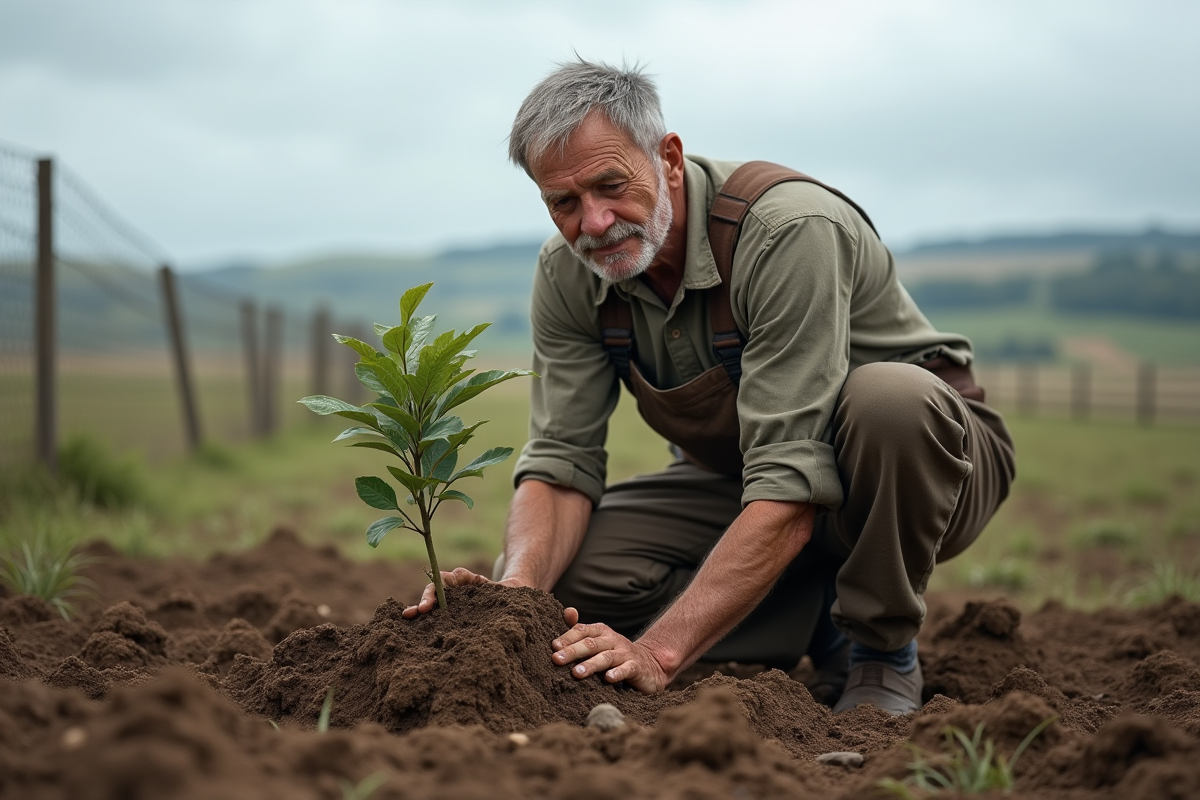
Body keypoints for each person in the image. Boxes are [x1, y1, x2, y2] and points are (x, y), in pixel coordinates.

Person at [403, 58, 1015, 715]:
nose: (596, 223)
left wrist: (658, 653)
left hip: (922, 471)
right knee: (573, 581)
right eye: (564, 203)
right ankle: (814, 617)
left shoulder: (787, 231)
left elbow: (791, 477)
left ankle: (880, 643)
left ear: (668, 158)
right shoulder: (567, 274)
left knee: (890, 401)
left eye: (611, 186)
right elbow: (561, 460)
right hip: (748, 477)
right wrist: (517, 595)